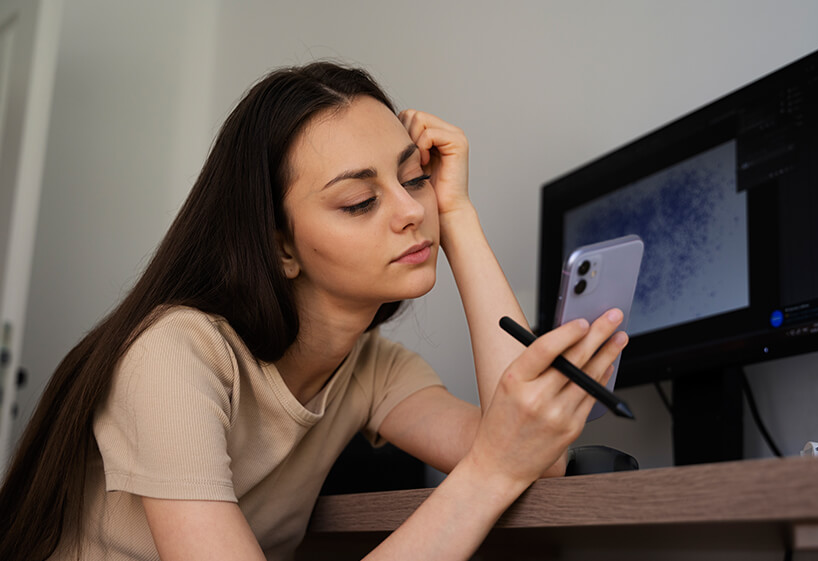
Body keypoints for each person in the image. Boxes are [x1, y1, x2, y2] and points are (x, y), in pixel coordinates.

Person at [0, 61, 627, 561]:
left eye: (414, 180)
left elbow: (537, 457)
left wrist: (458, 216)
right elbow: (503, 459)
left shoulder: (373, 367)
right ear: (281, 246)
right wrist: (490, 472)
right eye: (359, 201)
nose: (411, 211)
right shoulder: (172, 353)